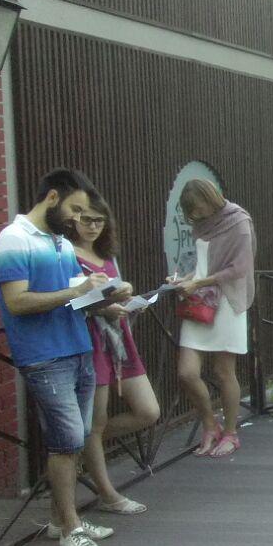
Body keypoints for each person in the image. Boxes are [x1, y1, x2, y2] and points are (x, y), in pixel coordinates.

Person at [0, 168, 130, 546]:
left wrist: (108, 299)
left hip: (77, 346)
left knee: (76, 437)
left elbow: (77, 298)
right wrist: (78, 290)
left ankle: (60, 520)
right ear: (52, 198)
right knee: (67, 440)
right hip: (43, 354)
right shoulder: (13, 239)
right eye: (74, 210)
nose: (77, 220)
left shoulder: (59, 242)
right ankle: (71, 529)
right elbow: (17, 302)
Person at [68, 194, 160, 515]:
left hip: (118, 340)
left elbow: (111, 293)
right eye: (87, 219)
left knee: (148, 411)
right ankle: (108, 493)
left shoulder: (106, 254)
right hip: (90, 339)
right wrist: (105, 307)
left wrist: (127, 299)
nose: (93, 226)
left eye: (99, 220)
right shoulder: (67, 254)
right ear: (74, 220)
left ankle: (71, 450)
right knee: (95, 422)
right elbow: (72, 301)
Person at [172, 179, 256, 458]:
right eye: (191, 212)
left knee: (223, 372)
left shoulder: (238, 222)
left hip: (227, 303)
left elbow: (240, 267)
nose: (196, 215)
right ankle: (210, 425)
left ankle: (231, 433)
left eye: (198, 208)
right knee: (187, 372)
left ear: (211, 199)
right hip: (200, 300)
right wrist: (186, 279)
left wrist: (198, 282)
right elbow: (204, 264)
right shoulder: (202, 224)